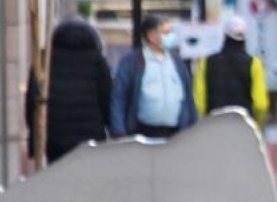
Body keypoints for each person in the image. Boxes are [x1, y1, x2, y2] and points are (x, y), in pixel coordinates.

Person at [29, 17, 113, 163]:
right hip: (90, 136)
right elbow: (106, 97)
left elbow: (32, 99)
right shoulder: (97, 61)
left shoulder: (44, 59)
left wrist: (33, 129)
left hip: (54, 135)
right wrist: (107, 124)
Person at [110, 14, 197, 139]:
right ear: (151, 36)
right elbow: (119, 98)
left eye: (170, 32)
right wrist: (119, 132)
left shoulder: (177, 63)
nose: (171, 36)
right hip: (143, 134)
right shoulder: (132, 62)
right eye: (166, 33)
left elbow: (188, 98)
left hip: (176, 135)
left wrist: (192, 129)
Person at [193, 15, 269, 126]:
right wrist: (257, 124)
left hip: (213, 126)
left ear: (225, 36)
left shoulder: (206, 62)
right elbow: (260, 104)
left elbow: (199, 102)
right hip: (243, 127)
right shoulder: (254, 64)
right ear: (244, 38)